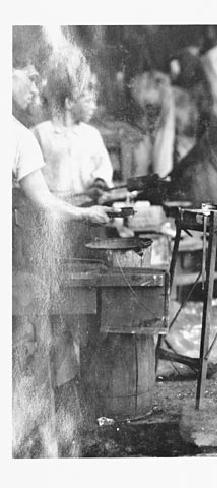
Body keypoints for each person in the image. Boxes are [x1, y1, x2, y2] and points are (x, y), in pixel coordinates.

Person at [12, 60, 111, 458]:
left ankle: (65, 396)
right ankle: (40, 417)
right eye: (27, 78)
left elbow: (101, 175)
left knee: (64, 317)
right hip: (42, 230)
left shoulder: (87, 136)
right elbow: (35, 197)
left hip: (75, 230)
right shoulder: (33, 134)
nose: (34, 88)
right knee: (42, 321)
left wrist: (95, 197)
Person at [34, 49, 114, 202]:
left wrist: (99, 182)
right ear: (69, 102)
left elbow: (103, 167)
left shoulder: (92, 135)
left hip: (88, 208)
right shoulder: (41, 134)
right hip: (55, 213)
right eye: (86, 99)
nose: (93, 106)